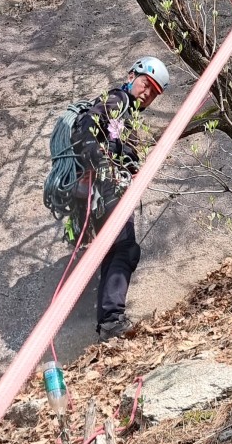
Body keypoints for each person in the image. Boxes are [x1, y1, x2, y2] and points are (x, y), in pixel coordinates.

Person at [70, 56, 169, 339]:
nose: (147, 93)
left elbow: (114, 145)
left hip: (102, 190)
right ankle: (112, 321)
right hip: (102, 188)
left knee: (115, 251)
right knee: (125, 249)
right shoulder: (118, 100)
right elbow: (86, 127)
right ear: (131, 76)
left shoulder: (126, 116)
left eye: (154, 92)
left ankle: (108, 325)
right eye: (145, 84)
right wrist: (101, 164)